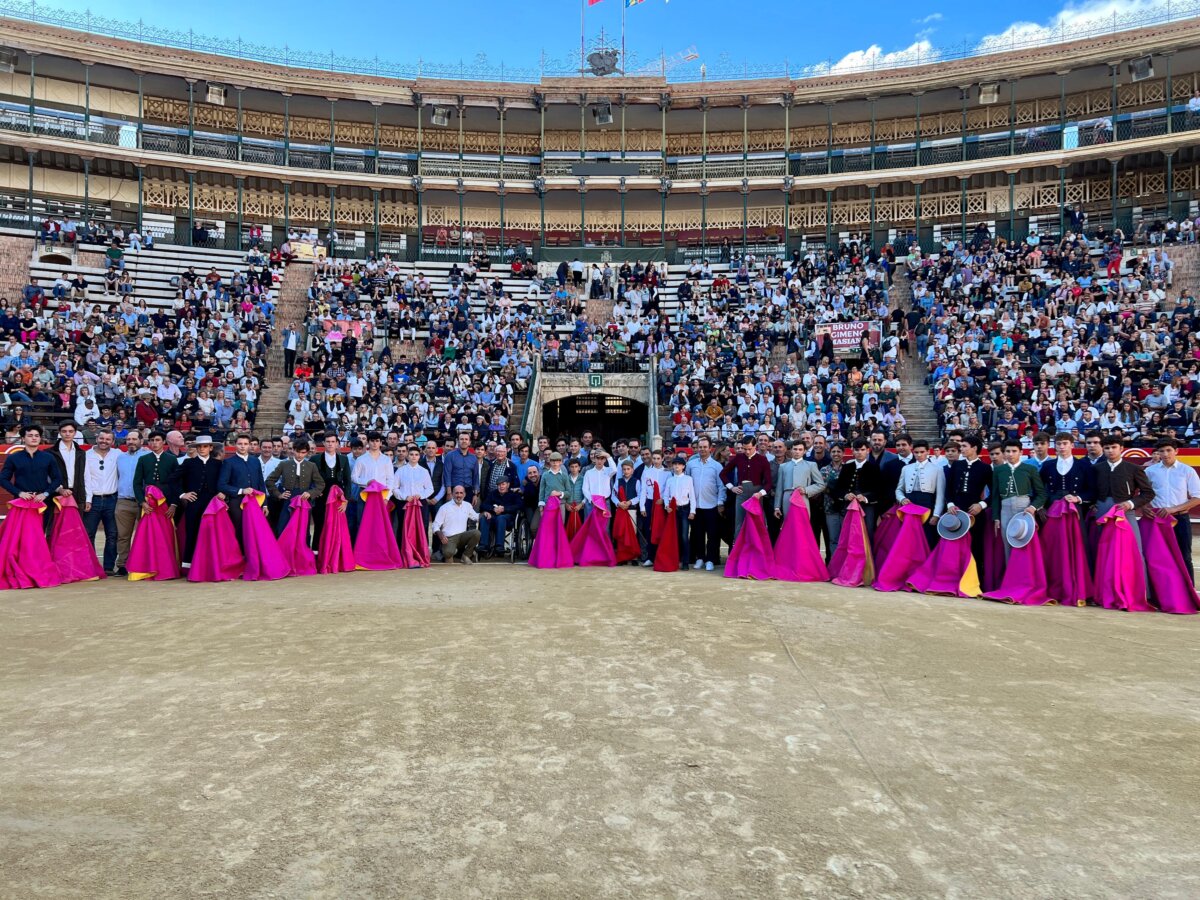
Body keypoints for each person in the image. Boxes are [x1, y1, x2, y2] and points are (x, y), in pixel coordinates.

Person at [1144, 439, 1200, 583]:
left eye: (1168, 450)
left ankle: (1189, 591)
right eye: (1161, 451)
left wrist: (1174, 508)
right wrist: (1144, 507)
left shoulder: (1187, 470)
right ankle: (1160, 593)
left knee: (1185, 556)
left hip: (1180, 518)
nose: (1165, 454)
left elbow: (1198, 497)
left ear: (1176, 451)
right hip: (1157, 519)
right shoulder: (1150, 471)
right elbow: (1142, 494)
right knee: (1157, 556)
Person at [1093, 436, 1154, 555]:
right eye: (1107, 448)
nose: (1110, 450)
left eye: (1114, 447)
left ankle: (1137, 574)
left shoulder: (1134, 469)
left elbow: (1148, 493)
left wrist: (1130, 503)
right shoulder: (1096, 469)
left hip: (1125, 510)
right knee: (1103, 548)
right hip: (1102, 510)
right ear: (1103, 450)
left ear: (1121, 448)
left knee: (1134, 548)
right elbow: (1090, 490)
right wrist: (1092, 505)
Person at [944, 435, 991, 581]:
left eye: (964, 446)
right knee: (952, 545)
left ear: (974, 448)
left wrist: (981, 505)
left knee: (975, 545)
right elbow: (948, 488)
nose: (961, 449)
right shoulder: (957, 465)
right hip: (957, 509)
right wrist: (950, 504)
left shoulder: (985, 467)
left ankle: (974, 581)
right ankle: (952, 577)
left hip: (974, 511)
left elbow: (994, 492)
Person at [990, 439, 1047, 560]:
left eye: (1014, 451)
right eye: (1008, 451)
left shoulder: (1030, 469)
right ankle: (1010, 576)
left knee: (1025, 541)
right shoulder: (999, 470)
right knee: (1007, 541)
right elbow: (995, 496)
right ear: (1004, 453)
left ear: (1021, 452)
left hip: (1024, 508)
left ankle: (1025, 575)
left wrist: (1032, 507)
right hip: (1004, 509)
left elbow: (1041, 493)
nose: (1011, 454)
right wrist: (996, 517)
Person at [178, 435, 224, 565]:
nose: (202, 449)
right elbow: (172, 479)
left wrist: (223, 493)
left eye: (205, 446)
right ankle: (189, 564)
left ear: (210, 448)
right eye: (199, 446)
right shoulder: (189, 463)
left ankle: (211, 563)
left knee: (212, 533)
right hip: (194, 501)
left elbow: (224, 482)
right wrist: (183, 494)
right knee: (192, 531)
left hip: (212, 503)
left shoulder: (218, 464)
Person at [82, 428, 122, 574]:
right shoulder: (86, 455)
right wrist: (88, 499)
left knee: (112, 534)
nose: (104, 441)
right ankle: (91, 565)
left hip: (112, 499)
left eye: (108, 439)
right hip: (93, 499)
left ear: (112, 441)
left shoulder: (118, 454)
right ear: (97, 438)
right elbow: (85, 479)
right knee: (89, 533)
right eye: (102, 438)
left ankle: (108, 567)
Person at [0, 424, 62, 520]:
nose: (34, 438)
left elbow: (57, 478)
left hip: (42, 501)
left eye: (36, 436)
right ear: (23, 439)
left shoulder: (48, 457)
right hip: (21, 501)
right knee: (21, 533)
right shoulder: (13, 457)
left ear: (40, 438)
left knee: (41, 532)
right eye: (30, 435)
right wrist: (19, 493)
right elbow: (3, 479)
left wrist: (45, 494)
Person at [216, 432, 266, 547]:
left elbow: (260, 483)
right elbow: (221, 485)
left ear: (250, 445)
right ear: (235, 445)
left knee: (254, 530)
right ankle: (240, 556)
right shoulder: (229, 462)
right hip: (236, 502)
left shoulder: (255, 461)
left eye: (245, 444)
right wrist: (241, 491)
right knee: (239, 529)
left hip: (255, 501)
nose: (243, 446)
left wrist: (265, 504)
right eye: (240, 444)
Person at [269, 437, 325, 537]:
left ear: (307, 452)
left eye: (303, 452)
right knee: (284, 525)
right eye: (298, 452)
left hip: (304, 499)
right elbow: (269, 481)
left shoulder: (311, 465)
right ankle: (283, 551)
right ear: (293, 450)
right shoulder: (284, 464)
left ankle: (303, 551)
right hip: (288, 498)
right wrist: (279, 494)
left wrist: (310, 493)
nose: (300, 455)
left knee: (303, 528)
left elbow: (321, 484)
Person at [685, 437, 726, 571]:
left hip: (712, 505)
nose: (702, 449)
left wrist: (720, 502)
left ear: (710, 448)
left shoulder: (716, 466)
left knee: (712, 535)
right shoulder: (691, 465)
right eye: (700, 447)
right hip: (695, 506)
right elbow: (687, 483)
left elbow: (721, 486)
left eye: (704, 447)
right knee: (697, 534)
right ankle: (700, 558)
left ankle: (711, 559)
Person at [720, 435, 772, 538]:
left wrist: (760, 493)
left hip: (756, 494)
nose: (747, 452)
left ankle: (759, 550)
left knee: (758, 523)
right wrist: (732, 487)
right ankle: (739, 550)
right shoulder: (739, 457)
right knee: (739, 523)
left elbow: (768, 483)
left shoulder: (762, 459)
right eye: (745, 449)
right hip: (741, 492)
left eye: (749, 449)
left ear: (755, 446)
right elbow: (723, 474)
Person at [896, 439, 945, 545]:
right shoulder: (906, 468)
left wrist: (936, 514)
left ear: (928, 452)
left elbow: (940, 495)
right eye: (916, 452)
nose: (919, 455)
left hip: (927, 505)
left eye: (922, 452)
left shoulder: (937, 469)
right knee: (909, 538)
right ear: (913, 452)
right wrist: (902, 498)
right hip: (909, 505)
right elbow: (899, 489)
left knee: (927, 537)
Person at [114, 430, 148, 576]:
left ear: (141, 440)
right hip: (124, 501)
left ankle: (142, 563)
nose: (131, 442)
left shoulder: (148, 456)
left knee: (145, 535)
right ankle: (122, 565)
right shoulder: (120, 458)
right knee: (123, 535)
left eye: (134, 439)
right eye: (128, 439)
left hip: (144, 502)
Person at [350, 432, 394, 539]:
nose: (374, 443)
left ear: (380, 443)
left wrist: (387, 498)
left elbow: (390, 480)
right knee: (362, 522)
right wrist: (367, 482)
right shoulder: (361, 459)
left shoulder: (386, 459)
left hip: (381, 495)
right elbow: (354, 477)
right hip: (364, 494)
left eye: (377, 441)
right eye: (372, 441)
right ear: (368, 443)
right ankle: (361, 551)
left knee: (380, 524)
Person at [313, 432, 352, 548]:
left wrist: (346, 500)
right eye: (328, 442)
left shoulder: (343, 459)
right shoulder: (315, 458)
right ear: (324, 443)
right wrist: (314, 491)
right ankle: (317, 554)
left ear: (337, 444)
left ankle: (335, 553)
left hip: (338, 499)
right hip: (320, 497)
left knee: (336, 526)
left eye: (333, 442)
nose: (330, 444)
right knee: (319, 525)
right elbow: (310, 478)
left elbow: (347, 480)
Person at [775, 440, 826, 524]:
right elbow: (779, 488)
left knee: (802, 524)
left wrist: (806, 490)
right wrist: (777, 506)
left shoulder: (811, 465)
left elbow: (821, 485)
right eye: (795, 449)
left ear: (804, 451)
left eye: (800, 449)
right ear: (791, 450)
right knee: (788, 525)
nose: (797, 452)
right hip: (787, 498)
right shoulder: (783, 466)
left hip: (802, 497)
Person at [133, 430, 181, 519]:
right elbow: (137, 483)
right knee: (148, 529)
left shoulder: (172, 459)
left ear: (164, 442)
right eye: (152, 440)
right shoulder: (143, 459)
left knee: (166, 529)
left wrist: (174, 504)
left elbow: (177, 483)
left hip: (167, 499)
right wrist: (142, 502)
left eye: (157, 440)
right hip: (148, 499)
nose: (154, 443)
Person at [662, 455, 696, 569]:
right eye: (675, 464)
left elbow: (692, 496)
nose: (676, 466)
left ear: (683, 466)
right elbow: (666, 495)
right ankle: (675, 560)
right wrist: (667, 505)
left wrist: (692, 511)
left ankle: (685, 561)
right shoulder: (670, 479)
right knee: (674, 535)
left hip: (685, 509)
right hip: (673, 510)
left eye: (679, 464)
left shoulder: (688, 479)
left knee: (684, 536)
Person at [433, 485, 481, 563]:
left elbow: (476, 517)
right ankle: (447, 552)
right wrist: (440, 534)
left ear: (464, 494)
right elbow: (435, 524)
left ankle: (466, 555)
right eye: (457, 493)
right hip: (449, 538)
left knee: (476, 533)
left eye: (461, 493)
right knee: (448, 553)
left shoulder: (467, 505)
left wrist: (485, 513)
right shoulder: (444, 508)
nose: (459, 495)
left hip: (462, 537)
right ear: (452, 494)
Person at [637, 449, 670, 566]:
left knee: (661, 530)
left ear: (662, 459)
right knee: (649, 530)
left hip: (662, 504)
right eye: (654, 458)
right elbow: (643, 490)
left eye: (658, 458)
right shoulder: (646, 472)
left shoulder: (667, 472)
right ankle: (651, 557)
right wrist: (642, 507)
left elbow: (668, 489)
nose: (656, 461)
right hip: (650, 503)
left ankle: (662, 556)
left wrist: (665, 501)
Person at [479, 477, 522, 557]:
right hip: (493, 517)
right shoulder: (492, 494)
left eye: (503, 484)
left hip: (508, 519)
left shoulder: (514, 495)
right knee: (484, 518)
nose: (501, 486)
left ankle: (499, 546)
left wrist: (504, 509)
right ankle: (483, 545)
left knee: (501, 518)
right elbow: (483, 505)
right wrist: (492, 509)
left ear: (508, 485)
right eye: (499, 485)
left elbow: (519, 506)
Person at [50, 422, 86, 508]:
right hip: (56, 494)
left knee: (76, 521)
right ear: (59, 432)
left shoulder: (81, 452)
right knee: (57, 521)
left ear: (75, 433)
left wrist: (88, 499)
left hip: (78, 493)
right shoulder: (50, 452)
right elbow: (47, 475)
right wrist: (59, 489)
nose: (67, 434)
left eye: (70, 431)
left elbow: (86, 475)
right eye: (64, 431)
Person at [442, 433, 480, 504]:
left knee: (466, 514)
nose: (464, 441)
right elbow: (447, 475)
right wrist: (449, 493)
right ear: (458, 441)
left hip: (468, 491)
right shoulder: (450, 455)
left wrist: (475, 494)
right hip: (454, 490)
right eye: (462, 439)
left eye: (466, 439)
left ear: (469, 442)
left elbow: (476, 476)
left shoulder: (474, 458)